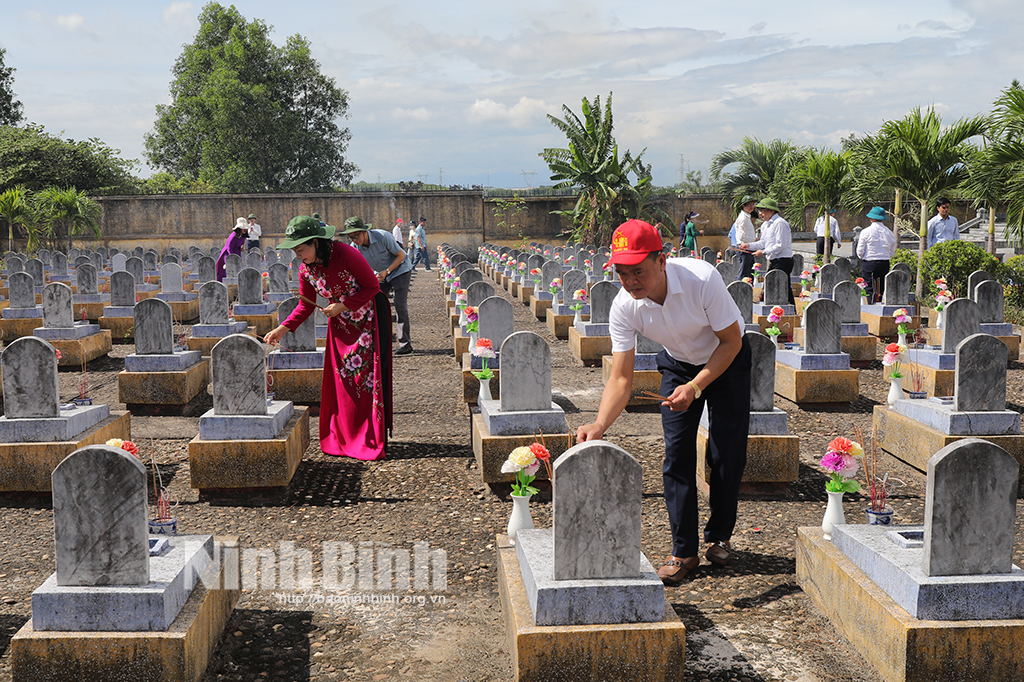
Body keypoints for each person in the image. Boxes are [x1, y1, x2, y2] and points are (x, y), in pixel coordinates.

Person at [577, 220, 750, 587]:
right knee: (676, 454)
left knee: (725, 452)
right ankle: (684, 551)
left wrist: (697, 386)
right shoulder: (625, 307)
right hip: (676, 364)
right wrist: (599, 425)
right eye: (623, 273)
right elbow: (621, 377)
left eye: (638, 271)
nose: (631, 281)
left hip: (726, 359)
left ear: (662, 260)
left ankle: (719, 535)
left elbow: (731, 343)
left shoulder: (701, 280)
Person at [263, 216, 388, 461]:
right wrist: (282, 329)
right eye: (295, 251)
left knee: (364, 382)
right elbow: (305, 305)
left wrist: (342, 306)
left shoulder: (345, 254)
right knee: (342, 384)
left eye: (301, 249)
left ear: (317, 242)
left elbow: (372, 286)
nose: (299, 255)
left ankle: (365, 437)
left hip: (366, 323)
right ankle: (344, 436)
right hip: (339, 328)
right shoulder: (305, 269)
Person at [341, 216, 415, 355]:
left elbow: (401, 255)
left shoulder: (383, 236)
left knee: (400, 305)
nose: (354, 240)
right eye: (350, 237)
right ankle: (377, 342)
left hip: (400, 270)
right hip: (380, 275)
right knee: (374, 305)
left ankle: (405, 344)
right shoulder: (355, 247)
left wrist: (387, 271)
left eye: (356, 236)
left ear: (364, 231)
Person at [738, 198, 794, 305]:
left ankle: (791, 312)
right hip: (774, 260)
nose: (760, 213)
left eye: (762, 210)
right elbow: (763, 243)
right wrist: (748, 246)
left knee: (782, 288)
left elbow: (780, 245)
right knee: (773, 287)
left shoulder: (779, 223)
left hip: (783, 261)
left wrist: (763, 252)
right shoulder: (766, 225)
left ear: (771, 211)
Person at [857, 206, 897, 303]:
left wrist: (863, 257)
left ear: (871, 218)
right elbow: (892, 250)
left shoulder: (865, 232)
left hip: (869, 262)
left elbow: (860, 251)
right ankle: (879, 304)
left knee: (868, 286)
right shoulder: (889, 232)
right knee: (882, 286)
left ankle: (869, 306)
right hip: (884, 262)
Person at [732, 196, 758, 281]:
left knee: (750, 272)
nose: (752, 207)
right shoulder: (743, 218)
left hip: (748, 247)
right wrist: (754, 240)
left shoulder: (747, 217)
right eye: (749, 204)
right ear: (743, 206)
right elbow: (741, 236)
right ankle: (739, 291)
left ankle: (748, 290)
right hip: (743, 248)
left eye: (753, 204)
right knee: (744, 273)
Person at [215, 217, 248, 281]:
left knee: (237, 269)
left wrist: (241, 248)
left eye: (246, 228)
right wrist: (232, 257)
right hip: (228, 254)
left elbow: (241, 244)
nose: (245, 230)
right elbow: (229, 248)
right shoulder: (233, 236)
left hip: (237, 253)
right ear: (239, 228)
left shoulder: (243, 236)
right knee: (229, 269)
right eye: (244, 228)